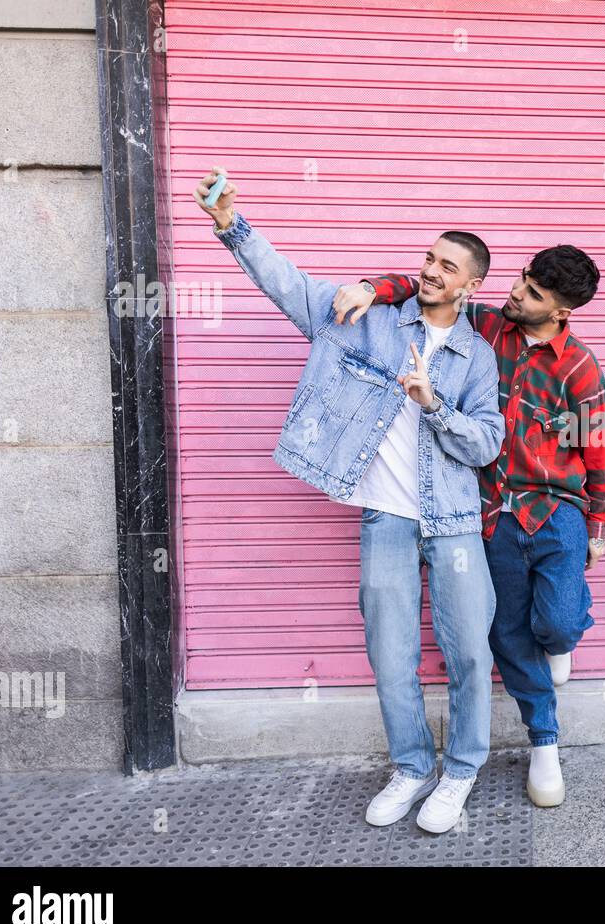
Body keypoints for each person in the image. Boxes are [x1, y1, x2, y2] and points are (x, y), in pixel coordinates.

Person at [193, 168, 504, 833]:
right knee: (390, 652)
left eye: (446, 266)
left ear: (470, 285)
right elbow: (286, 283)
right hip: (386, 521)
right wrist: (231, 225)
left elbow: (485, 444)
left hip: (453, 524)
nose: (430, 270)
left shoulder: (478, 357)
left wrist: (434, 405)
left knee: (471, 653)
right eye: (427, 258)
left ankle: (460, 771)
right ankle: (413, 766)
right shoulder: (366, 317)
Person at [329, 246, 605, 807]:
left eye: (533, 294)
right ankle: (544, 743)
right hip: (493, 516)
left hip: (558, 512)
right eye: (522, 280)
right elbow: (425, 292)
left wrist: (599, 526)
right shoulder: (487, 326)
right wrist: (371, 286)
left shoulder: (580, 369)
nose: (516, 293)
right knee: (506, 636)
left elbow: (598, 450)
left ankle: (561, 638)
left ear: (561, 312)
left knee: (556, 623)